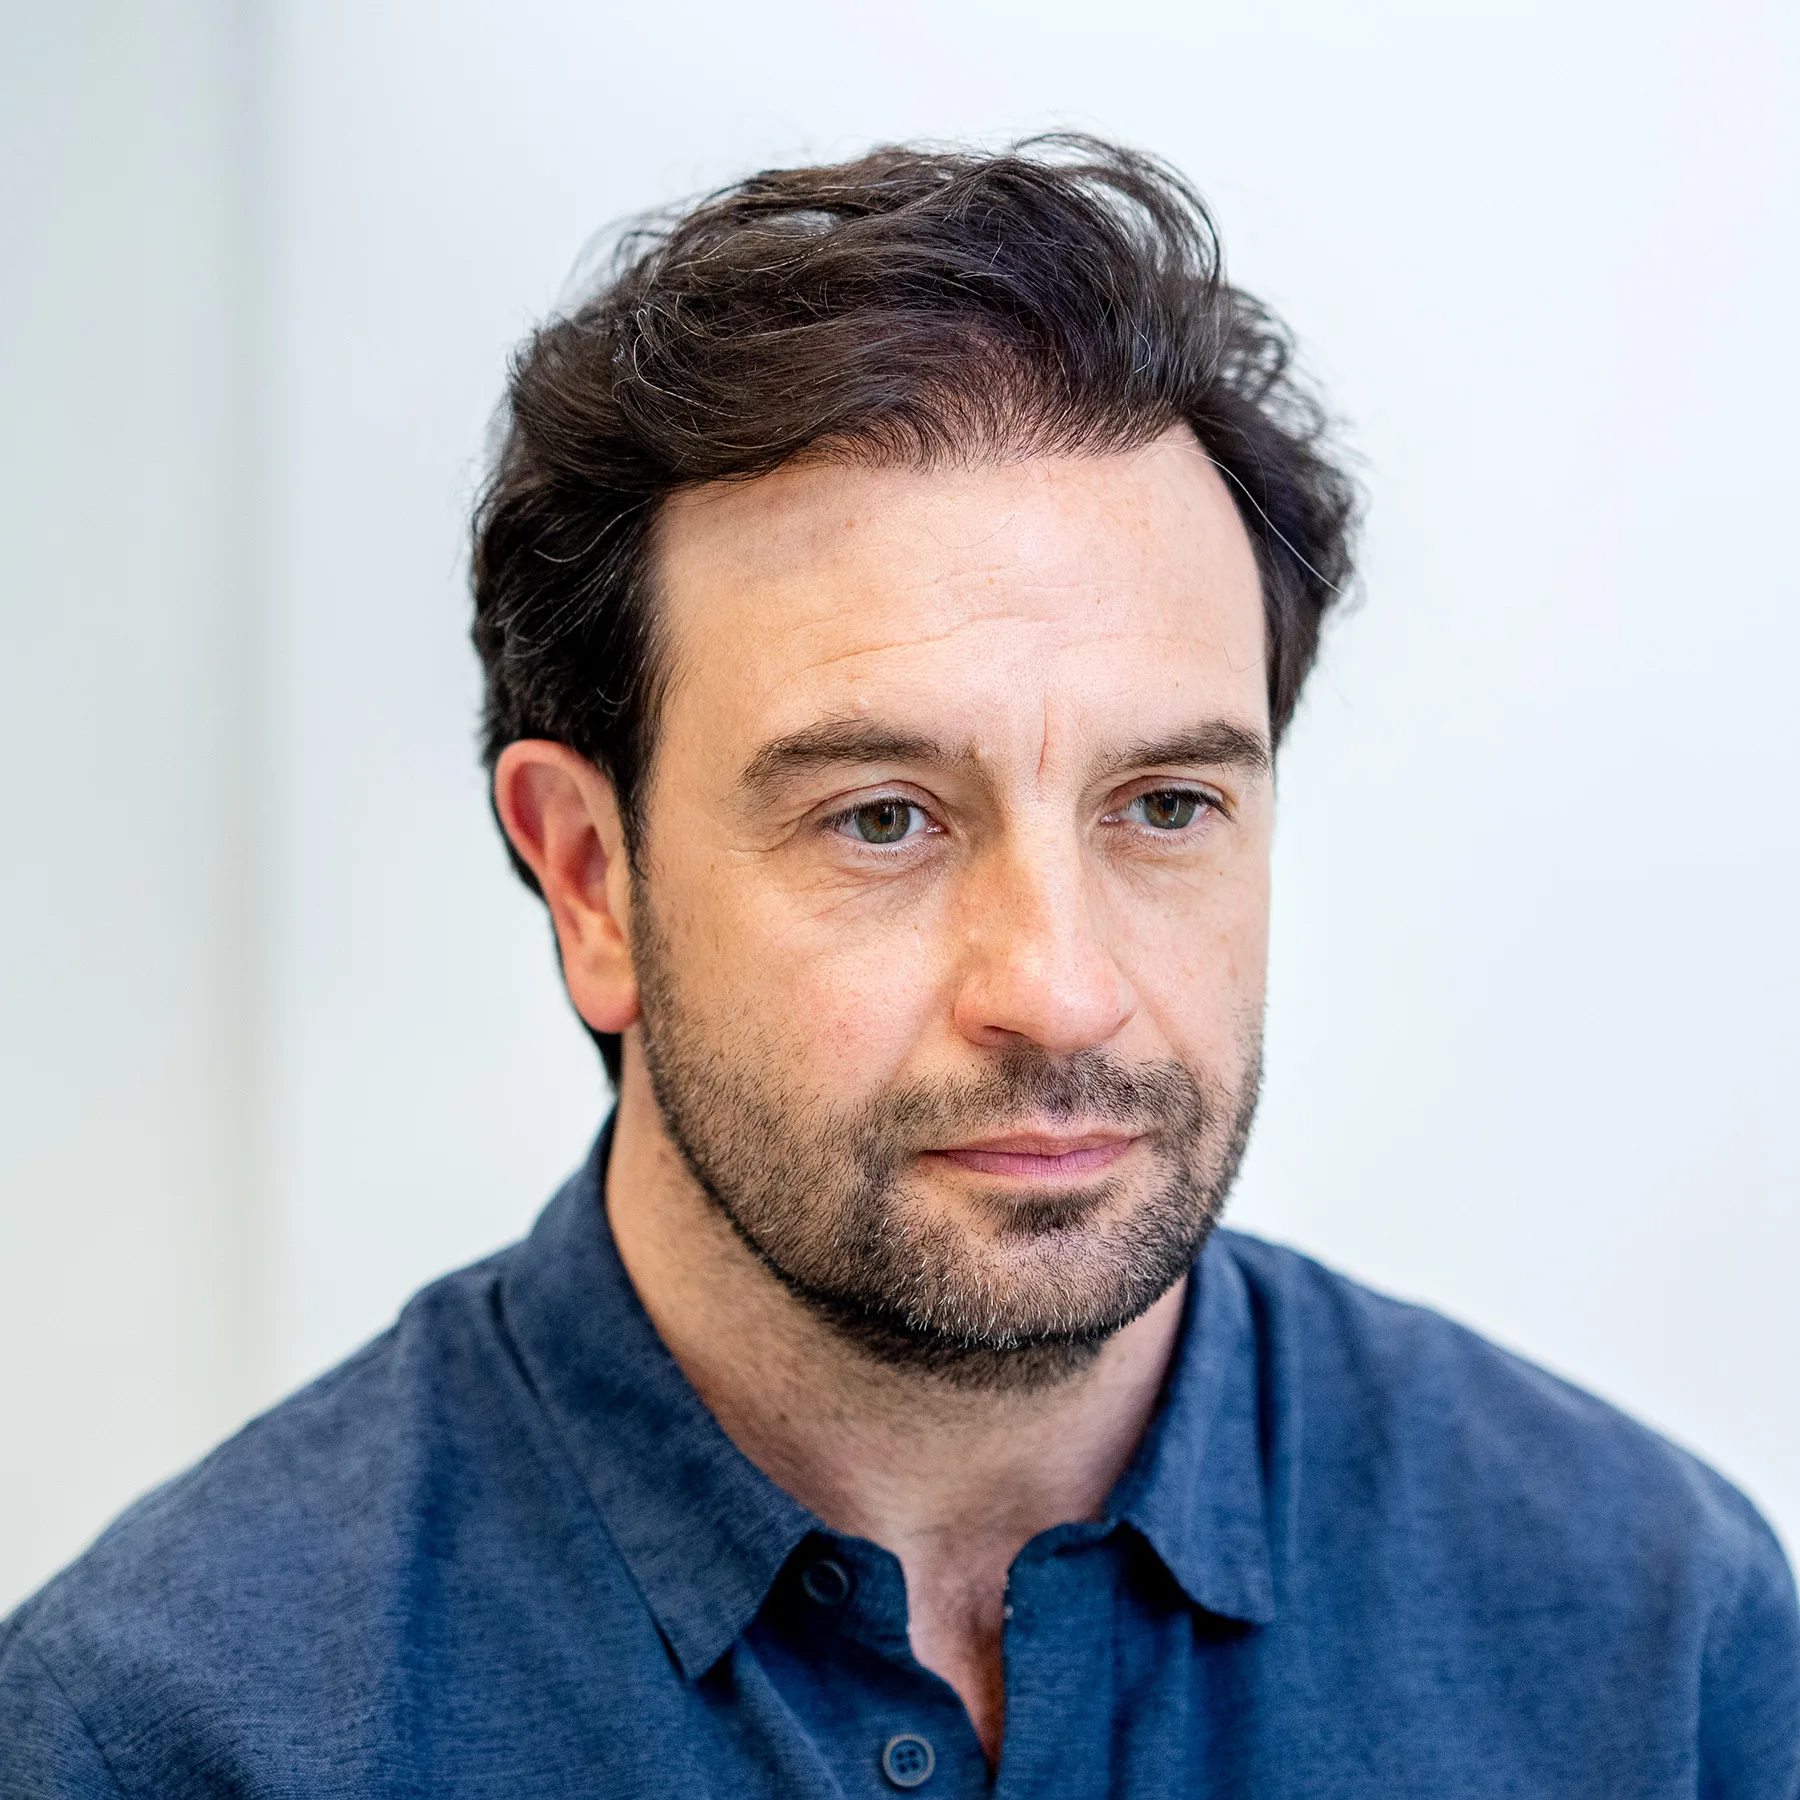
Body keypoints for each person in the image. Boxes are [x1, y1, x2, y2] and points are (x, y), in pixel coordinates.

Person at [2, 135, 1795, 1798]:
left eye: (1166, 805)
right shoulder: (170, 1737)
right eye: (882, 820)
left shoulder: (1654, 1638)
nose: (1061, 990)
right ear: (591, 880)